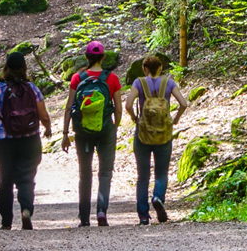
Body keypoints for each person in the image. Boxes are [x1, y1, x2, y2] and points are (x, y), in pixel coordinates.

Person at [0, 51, 52, 230]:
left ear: (5, 67)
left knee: (4, 181)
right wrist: (47, 128)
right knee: (27, 178)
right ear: (24, 68)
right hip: (29, 139)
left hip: (3, 141)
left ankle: (6, 222)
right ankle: (26, 210)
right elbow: (43, 114)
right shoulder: (32, 88)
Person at [62, 41, 123, 227]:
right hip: (105, 129)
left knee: (85, 173)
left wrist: (65, 133)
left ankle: (84, 217)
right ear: (103, 57)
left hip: (82, 131)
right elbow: (119, 109)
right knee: (105, 172)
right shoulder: (112, 79)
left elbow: (69, 107)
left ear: (86, 57)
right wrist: (115, 127)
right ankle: (102, 211)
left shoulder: (77, 78)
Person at [125, 54, 189, 224]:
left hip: (143, 133)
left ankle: (144, 216)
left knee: (143, 176)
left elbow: (128, 104)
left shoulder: (139, 83)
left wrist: (134, 118)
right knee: (161, 172)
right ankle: (158, 197)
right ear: (161, 68)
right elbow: (183, 103)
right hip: (164, 133)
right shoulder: (168, 82)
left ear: (144, 69)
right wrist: (175, 119)